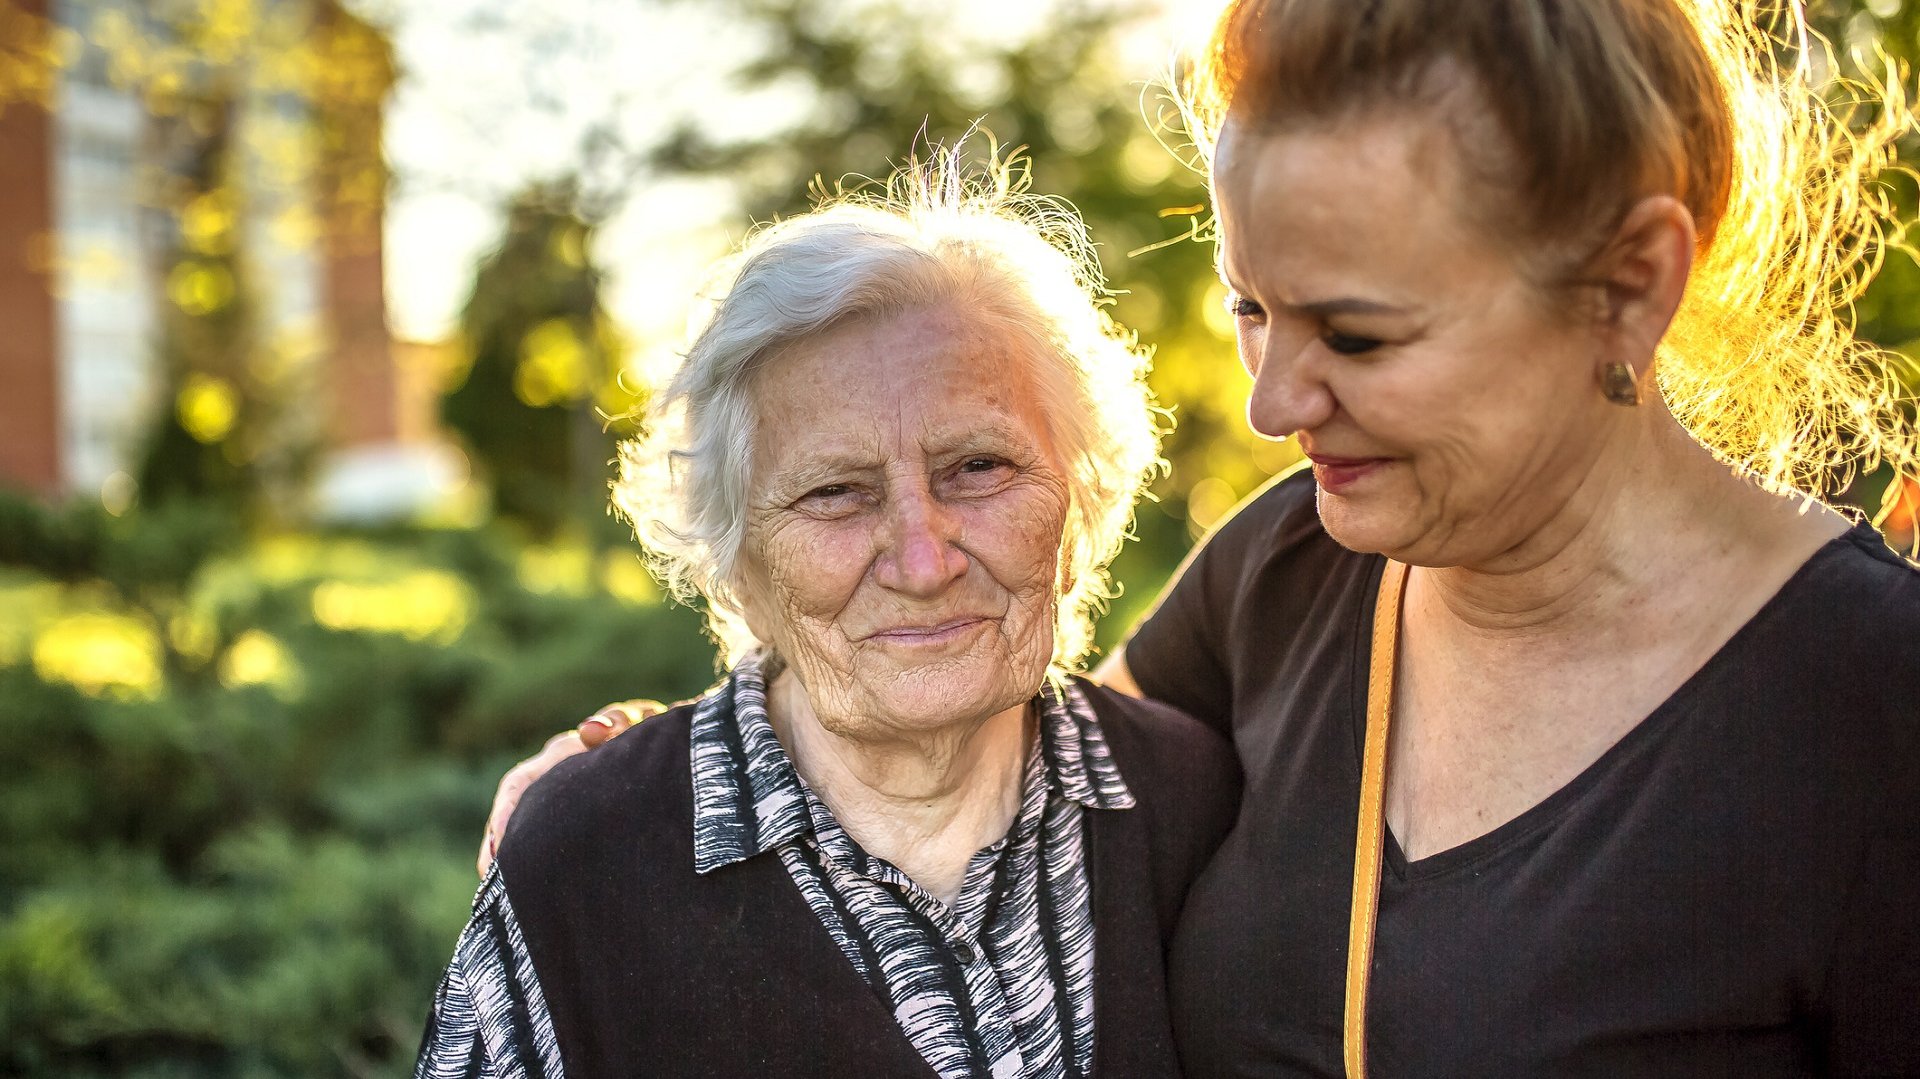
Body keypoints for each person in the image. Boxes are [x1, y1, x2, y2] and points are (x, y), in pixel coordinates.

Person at [482, 0, 1920, 1074]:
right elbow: (984, 755)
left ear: (1630, 283)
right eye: (1251, 304)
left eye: (1356, 329)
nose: (1274, 397)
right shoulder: (1292, 565)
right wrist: (648, 793)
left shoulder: (1870, 705)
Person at [414, 156, 1239, 1077]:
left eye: (979, 467)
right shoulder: (588, 859)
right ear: (736, 561)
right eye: (836, 492)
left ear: (1080, 503)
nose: (923, 561)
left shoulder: (1197, 802)